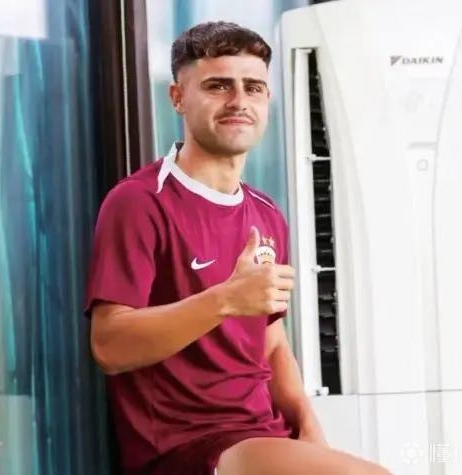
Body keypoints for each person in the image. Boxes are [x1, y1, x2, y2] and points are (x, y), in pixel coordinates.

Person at [85, 21, 391, 475]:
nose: (239, 101)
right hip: (186, 447)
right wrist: (226, 299)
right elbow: (110, 345)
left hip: (262, 435)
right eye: (218, 86)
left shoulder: (265, 213)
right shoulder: (139, 202)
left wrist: (307, 422)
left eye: (253, 87)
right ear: (178, 98)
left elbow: (271, 342)